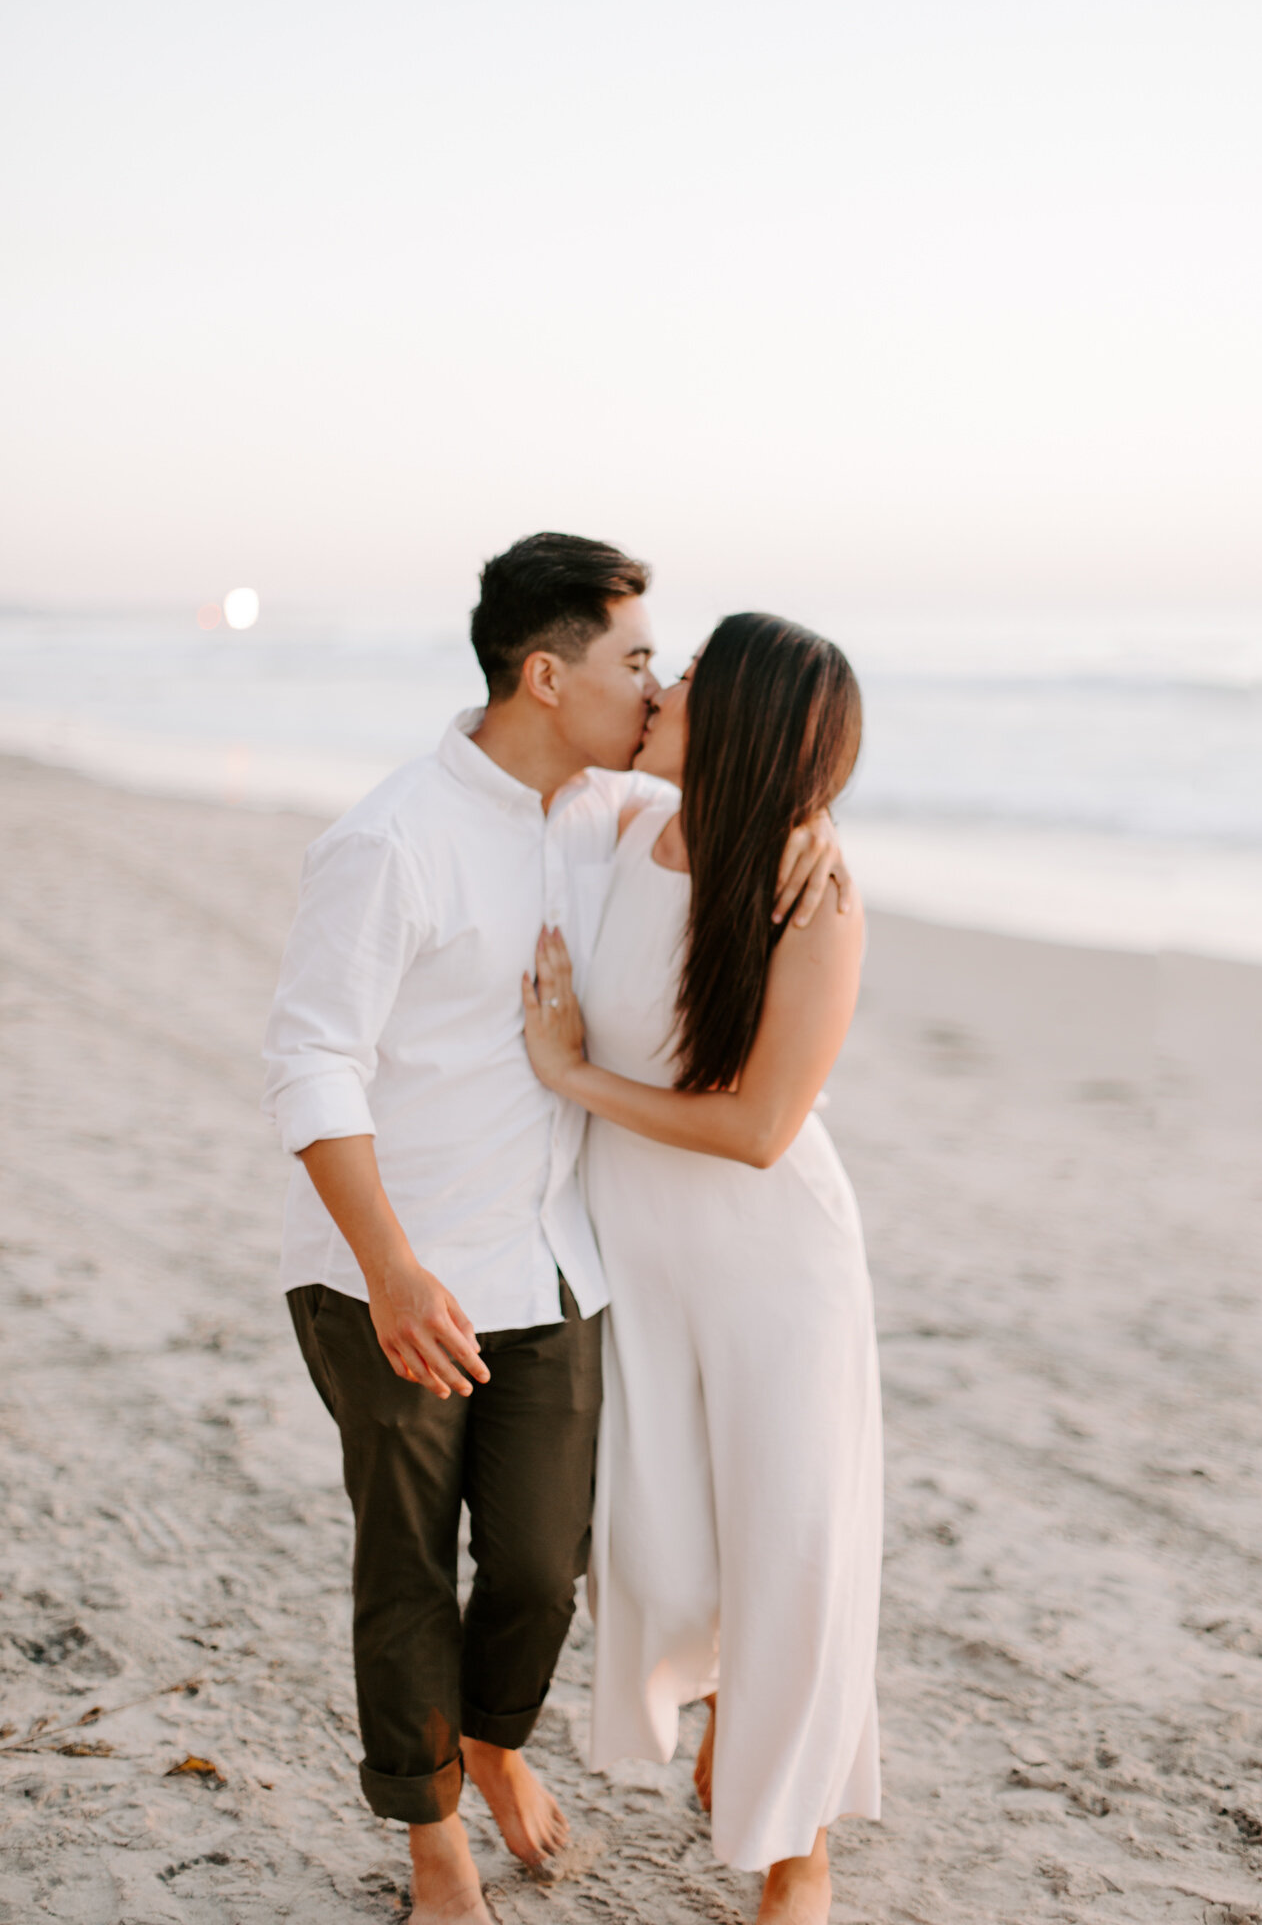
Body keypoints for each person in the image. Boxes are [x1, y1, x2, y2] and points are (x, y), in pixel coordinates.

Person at [262, 537, 847, 1925]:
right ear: (545, 674)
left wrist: (810, 831)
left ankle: (495, 1743)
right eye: (634, 661)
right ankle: (434, 1844)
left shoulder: (603, 815)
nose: (655, 689)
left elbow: (731, 815)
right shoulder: (387, 839)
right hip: (388, 1270)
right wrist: (390, 1268)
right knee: (407, 1563)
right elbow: (310, 1063)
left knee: (537, 1564)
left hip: (556, 1269)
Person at [522, 612, 882, 1925]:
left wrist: (575, 1078)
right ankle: (726, 1700)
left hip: (772, 1267)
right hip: (644, 1261)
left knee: (788, 1545)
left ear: (732, 719)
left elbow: (757, 1129)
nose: (660, 690)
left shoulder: (811, 888)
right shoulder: (624, 830)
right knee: (665, 1548)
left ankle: (801, 1850)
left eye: (684, 679)